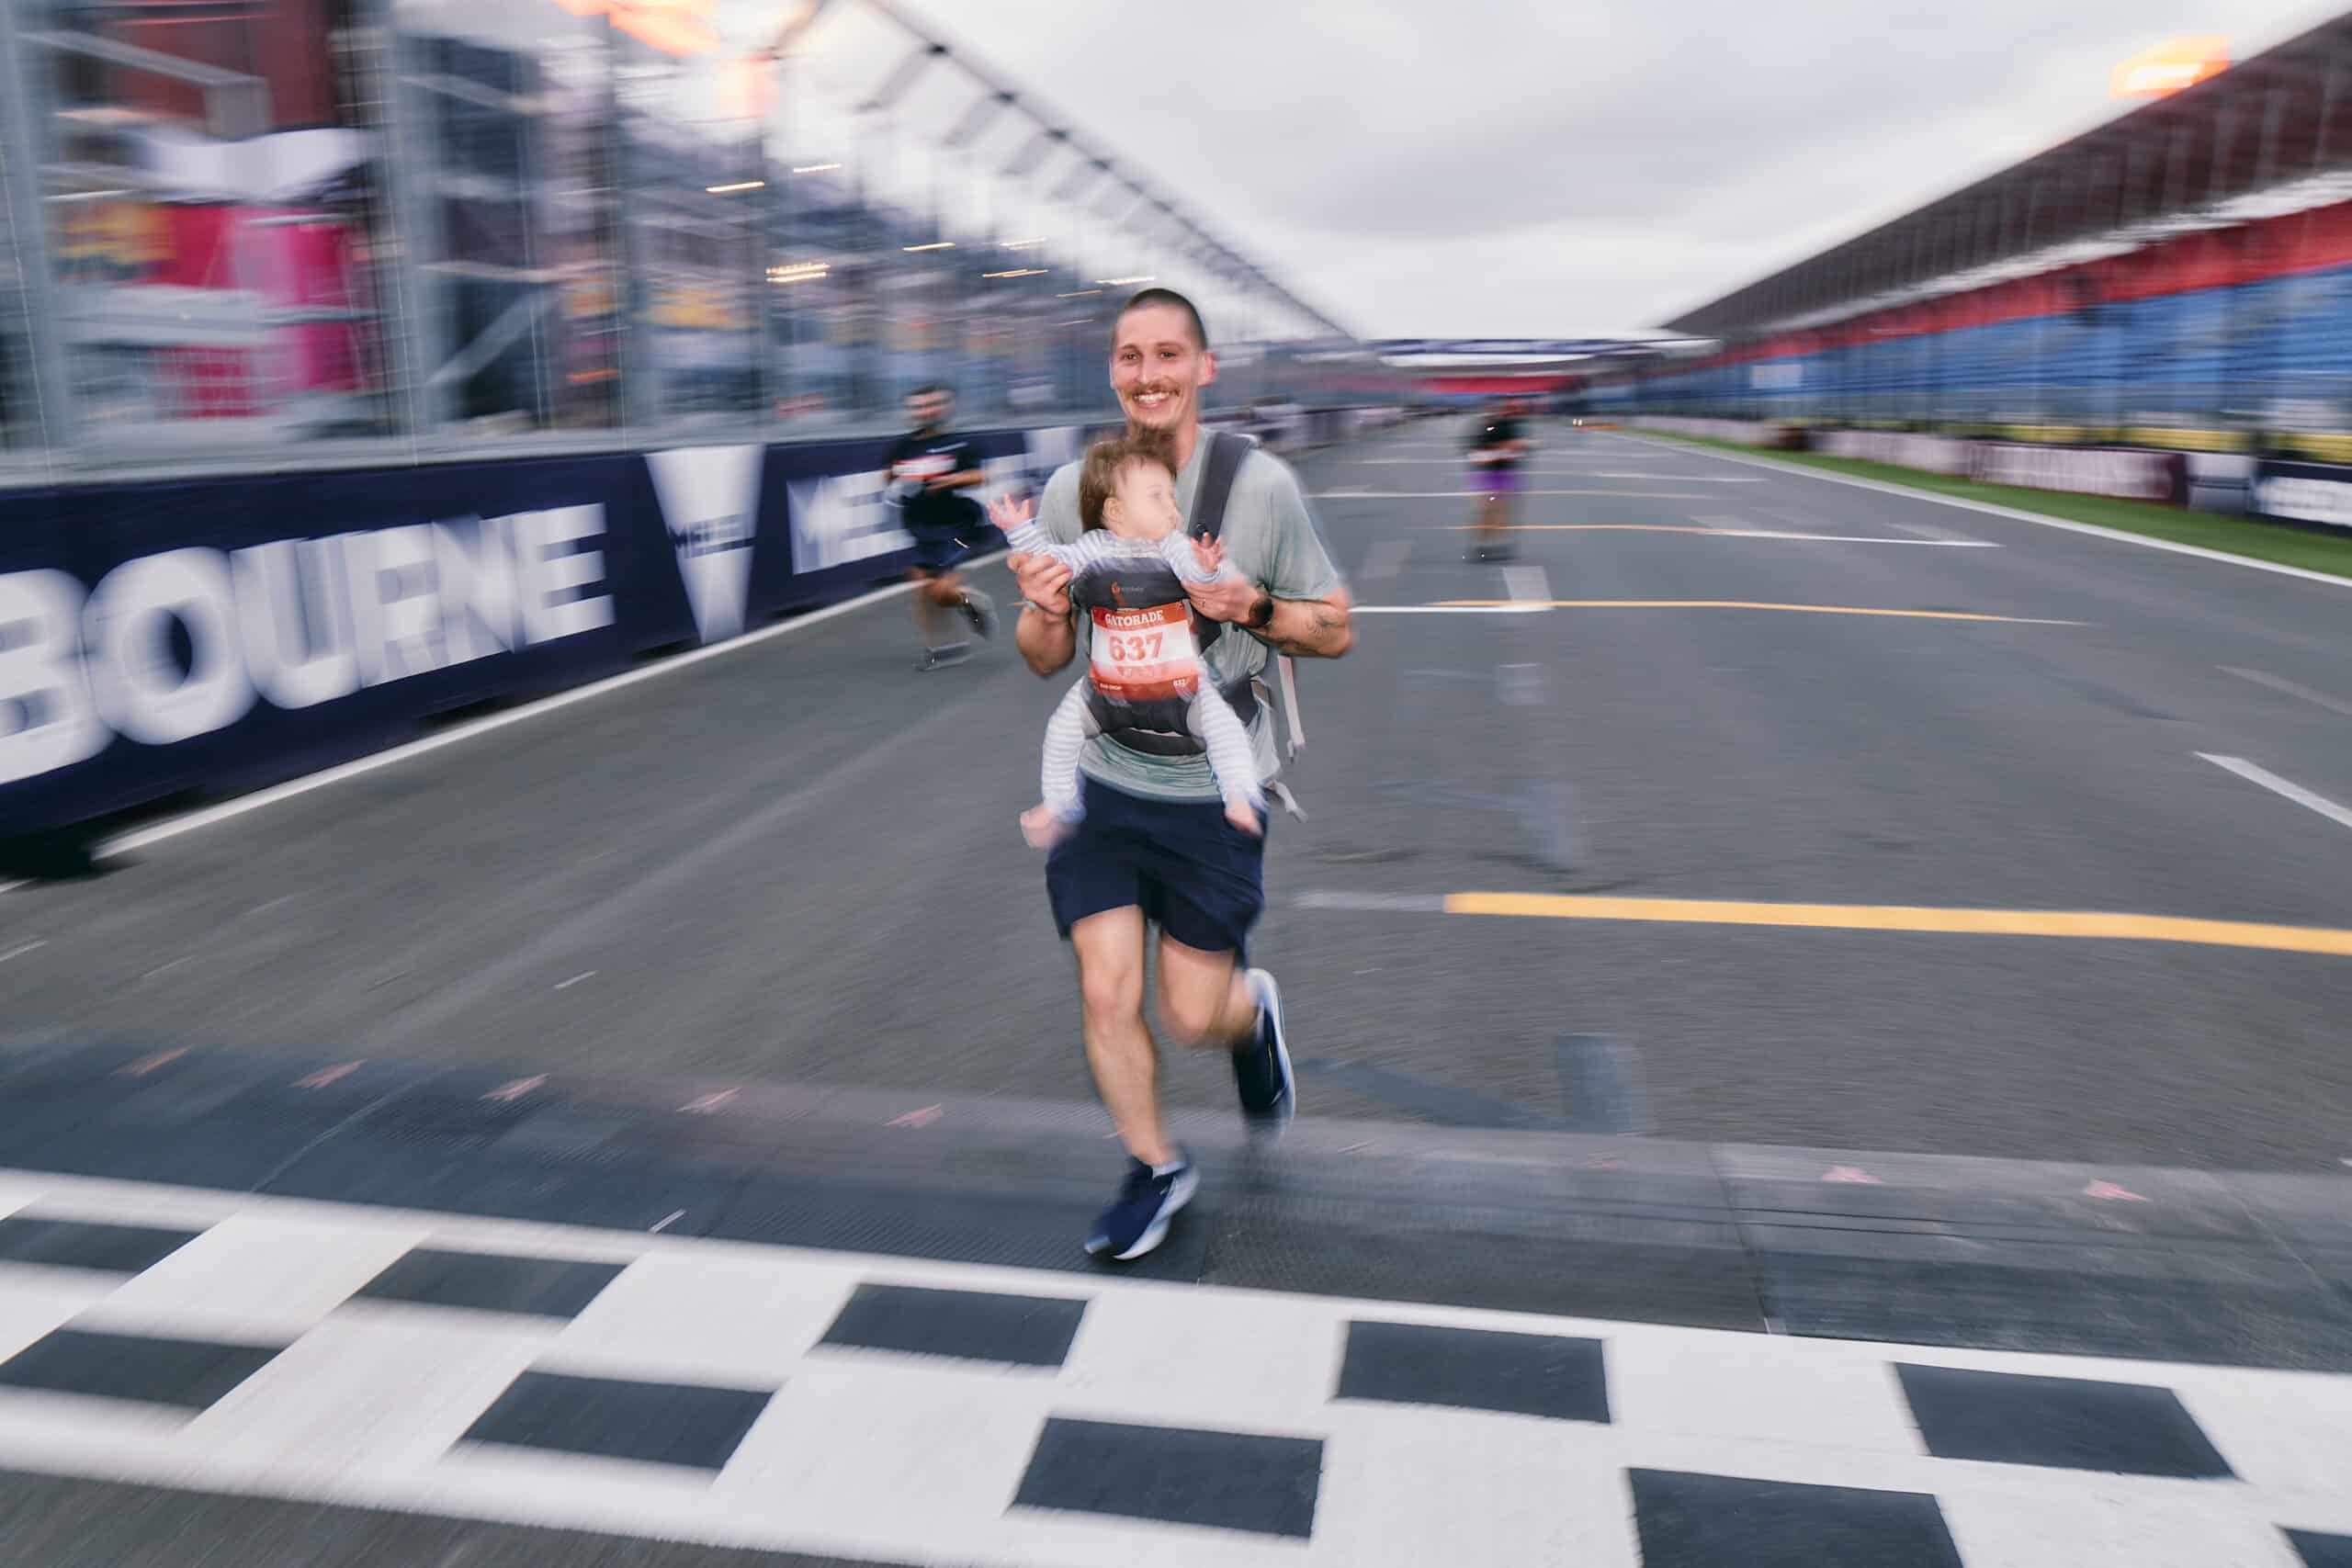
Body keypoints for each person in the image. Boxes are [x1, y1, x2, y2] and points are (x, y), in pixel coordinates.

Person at [1007, 287, 1353, 1262]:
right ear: (1112, 370)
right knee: (1104, 990)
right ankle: (1155, 1166)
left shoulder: (1259, 487)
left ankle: (1251, 1017)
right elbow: (1042, 656)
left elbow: (1335, 628)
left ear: (1205, 366)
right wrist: (1043, 607)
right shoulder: (1073, 488)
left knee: (1191, 1014)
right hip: (1108, 778)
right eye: (1130, 356)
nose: (1148, 374)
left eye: (1169, 354)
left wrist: (1253, 608)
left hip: (1211, 787)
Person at [988, 434, 1265, 851]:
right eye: (1157, 497)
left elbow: (1199, 577)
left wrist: (1209, 568)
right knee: (1061, 732)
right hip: (1107, 691)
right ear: (1116, 511)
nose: (1172, 509)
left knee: (1224, 729)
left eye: (1172, 497)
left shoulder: (1173, 548)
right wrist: (1019, 531)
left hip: (1181, 688)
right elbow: (1050, 563)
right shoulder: (1093, 548)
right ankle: (1058, 804)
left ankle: (1240, 796)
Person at [884, 384, 998, 670]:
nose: (926, 411)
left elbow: (979, 475)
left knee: (940, 590)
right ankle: (940, 650)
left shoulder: (961, 443)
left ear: (947, 406)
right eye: (919, 406)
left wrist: (949, 480)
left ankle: (970, 600)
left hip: (957, 527)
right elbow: (888, 476)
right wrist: (898, 482)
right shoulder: (903, 446)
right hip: (919, 528)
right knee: (922, 586)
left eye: (933, 405)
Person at [1464, 394, 1532, 562]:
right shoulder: (1490, 426)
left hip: (1504, 472)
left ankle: (1497, 545)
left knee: (1501, 510)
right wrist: (1506, 448)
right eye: (1514, 407)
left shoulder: (1513, 425)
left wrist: (1521, 447)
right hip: (1489, 473)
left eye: (1519, 407)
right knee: (1489, 510)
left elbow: (1517, 447)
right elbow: (1478, 448)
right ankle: (1482, 546)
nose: (1517, 410)